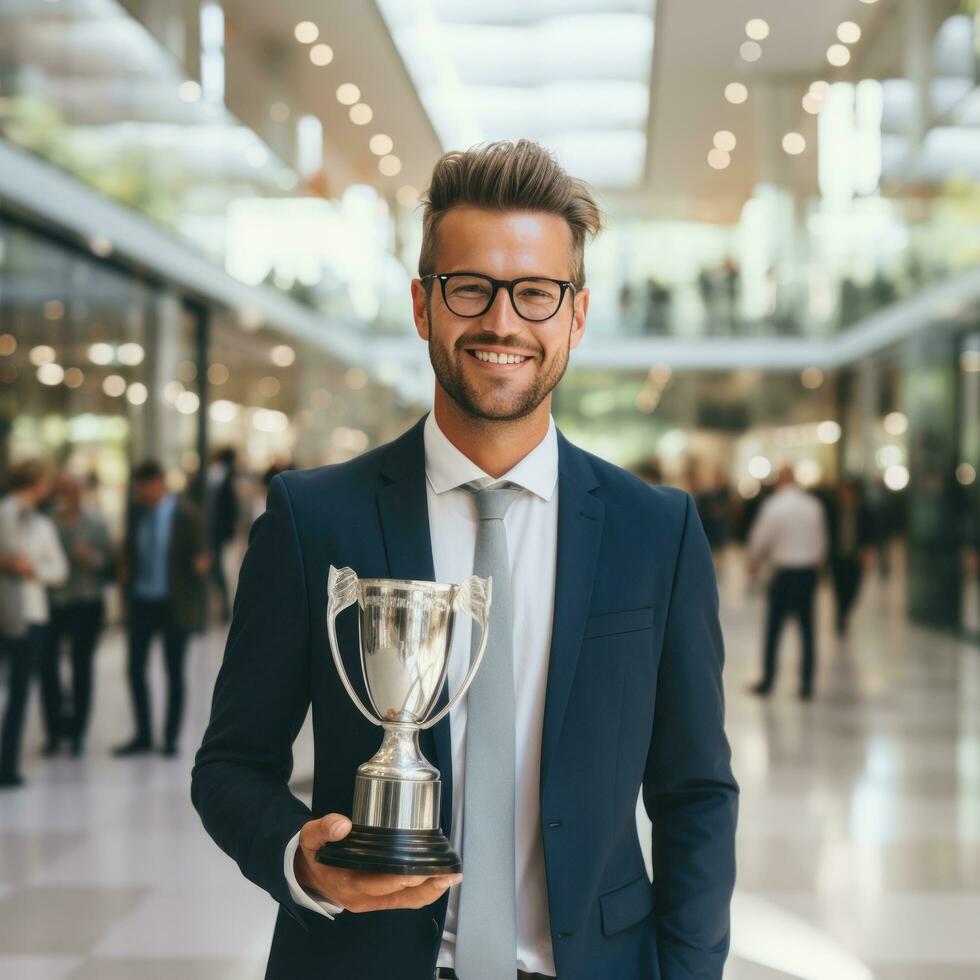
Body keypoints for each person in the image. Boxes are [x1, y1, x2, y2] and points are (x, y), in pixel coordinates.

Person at [193, 139, 738, 980]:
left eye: (537, 293)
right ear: (423, 304)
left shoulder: (654, 530)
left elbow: (695, 793)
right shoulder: (314, 517)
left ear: (577, 316)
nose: (503, 321)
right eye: (471, 288)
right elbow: (231, 766)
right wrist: (299, 858)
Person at [115, 461, 209, 758]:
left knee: (173, 670)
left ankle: (169, 738)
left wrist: (201, 565)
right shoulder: (135, 513)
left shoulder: (187, 514)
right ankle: (143, 734)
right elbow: (129, 551)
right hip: (142, 601)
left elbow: (203, 554)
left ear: (158, 483)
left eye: (144, 487)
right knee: (135, 668)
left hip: (174, 605)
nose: (141, 493)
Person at [0, 461, 68, 787]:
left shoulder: (42, 525)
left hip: (32, 616)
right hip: (5, 611)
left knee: (19, 693)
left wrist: (32, 571)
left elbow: (59, 571)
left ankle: (7, 764)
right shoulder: (5, 513)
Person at [42, 472, 115, 757]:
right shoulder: (46, 522)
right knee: (48, 666)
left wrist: (92, 558)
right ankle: (54, 729)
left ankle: (77, 732)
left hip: (86, 602)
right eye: (63, 489)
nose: (68, 495)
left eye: (73, 489)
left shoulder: (96, 523)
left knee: (81, 666)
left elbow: (111, 563)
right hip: (54, 603)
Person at [747, 466, 828, 700]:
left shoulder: (774, 505)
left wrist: (754, 562)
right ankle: (806, 684)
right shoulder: (813, 505)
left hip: (783, 573)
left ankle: (768, 680)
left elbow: (760, 539)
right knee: (807, 630)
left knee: (774, 629)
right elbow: (821, 541)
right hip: (807, 572)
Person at [823, 478, 875, 636]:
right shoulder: (833, 511)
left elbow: (870, 532)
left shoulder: (863, 510)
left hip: (855, 557)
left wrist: (867, 551)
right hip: (837, 557)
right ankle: (841, 615)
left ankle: (844, 612)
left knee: (853, 589)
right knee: (839, 588)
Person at [206, 447, 239, 623]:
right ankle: (223, 606)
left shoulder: (218, 475)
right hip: (218, 531)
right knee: (217, 567)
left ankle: (223, 607)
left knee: (217, 568)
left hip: (216, 531)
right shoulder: (225, 476)